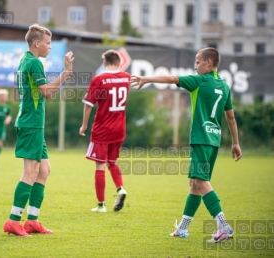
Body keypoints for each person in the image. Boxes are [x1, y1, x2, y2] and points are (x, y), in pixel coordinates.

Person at [131, 47, 242, 243]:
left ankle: (224, 226)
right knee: (194, 183)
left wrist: (147, 79)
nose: (195, 65)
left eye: (198, 62)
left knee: (200, 181)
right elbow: (231, 117)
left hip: (200, 139)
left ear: (209, 63)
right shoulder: (224, 86)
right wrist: (236, 143)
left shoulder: (199, 81)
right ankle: (182, 229)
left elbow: (173, 79)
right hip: (214, 141)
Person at [3, 24, 74, 237]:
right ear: (37, 43)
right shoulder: (34, 63)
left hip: (33, 124)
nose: (50, 47)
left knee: (43, 171)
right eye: (48, 43)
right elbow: (47, 93)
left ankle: (32, 220)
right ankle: (13, 221)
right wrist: (66, 73)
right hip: (31, 124)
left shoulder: (26, 59)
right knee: (31, 172)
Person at [79, 50, 130, 213]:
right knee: (112, 162)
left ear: (105, 63)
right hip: (119, 128)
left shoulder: (99, 79)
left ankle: (101, 205)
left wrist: (84, 125)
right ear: (120, 62)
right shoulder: (126, 78)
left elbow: (88, 104)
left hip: (102, 128)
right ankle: (120, 188)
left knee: (100, 165)